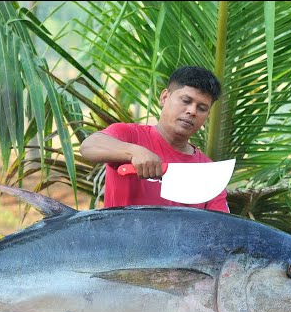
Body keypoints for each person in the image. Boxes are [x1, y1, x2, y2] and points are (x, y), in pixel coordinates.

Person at [79, 65, 229, 213]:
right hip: (119, 237)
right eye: (186, 100)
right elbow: (88, 147)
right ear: (164, 97)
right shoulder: (129, 135)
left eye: (202, 108)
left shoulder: (209, 174)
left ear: (208, 115)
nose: (192, 111)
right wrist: (134, 152)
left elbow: (219, 228)